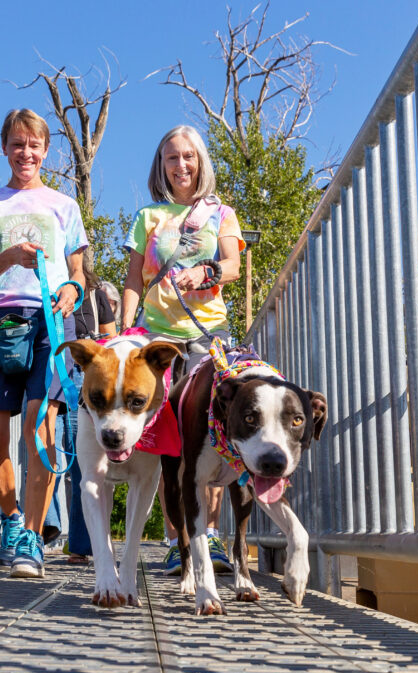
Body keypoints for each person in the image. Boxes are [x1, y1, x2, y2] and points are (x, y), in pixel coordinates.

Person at [0, 108, 87, 579]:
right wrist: (10, 255)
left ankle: (31, 539)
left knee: (40, 427)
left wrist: (74, 289)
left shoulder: (64, 205)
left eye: (34, 145)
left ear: (45, 150)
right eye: (17, 144)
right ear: (6, 148)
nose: (26, 153)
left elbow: (76, 272)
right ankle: (12, 520)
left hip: (50, 321)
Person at [120, 124, 243, 576]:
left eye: (188, 156)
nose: (181, 165)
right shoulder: (148, 217)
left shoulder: (219, 213)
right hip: (158, 339)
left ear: (201, 162)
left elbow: (231, 265)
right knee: (171, 441)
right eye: (172, 158)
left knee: (209, 436)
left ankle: (207, 540)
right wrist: (125, 330)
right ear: (161, 165)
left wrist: (206, 273)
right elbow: (134, 278)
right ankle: (178, 540)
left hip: (209, 335)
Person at [59, 250, 117, 564]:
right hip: (54, 374)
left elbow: (111, 338)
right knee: (48, 451)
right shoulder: (44, 287)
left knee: (83, 463)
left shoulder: (95, 296)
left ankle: (83, 545)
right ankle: (46, 529)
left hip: (86, 385)